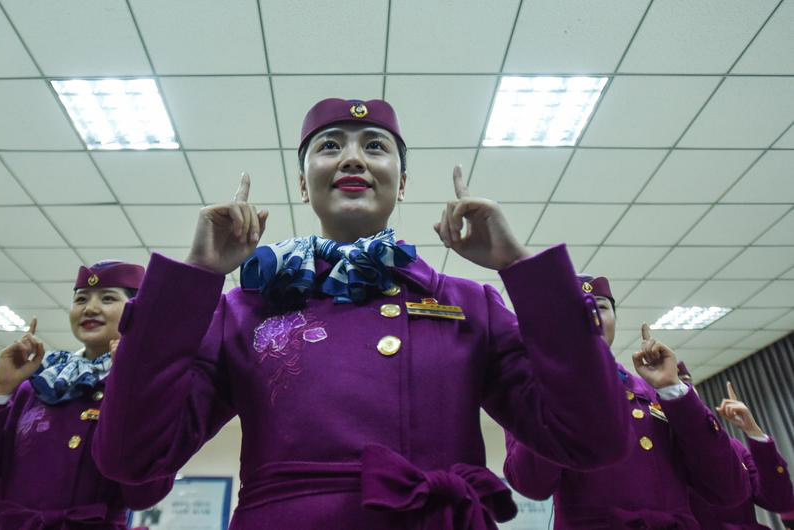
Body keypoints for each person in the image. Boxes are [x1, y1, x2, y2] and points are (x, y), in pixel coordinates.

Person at [93, 98, 630, 529]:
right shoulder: (243, 309)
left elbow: (589, 439)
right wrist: (194, 279)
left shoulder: (468, 303)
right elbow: (134, 458)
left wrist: (521, 267)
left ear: (402, 181)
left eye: (375, 147)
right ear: (303, 184)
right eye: (330, 146)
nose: (353, 158)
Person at [0, 261, 173, 529]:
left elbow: (144, 495)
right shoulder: (37, 385)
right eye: (80, 299)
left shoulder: (145, 390)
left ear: (135, 311)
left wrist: (130, 389)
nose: (90, 308)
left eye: (107, 298)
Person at [502, 275, 749, 529]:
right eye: (574, 308)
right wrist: (561, 388)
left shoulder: (657, 393)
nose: (591, 314)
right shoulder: (535, 392)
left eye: (601, 305)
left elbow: (729, 488)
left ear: (615, 320)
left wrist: (673, 389)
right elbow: (531, 483)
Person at [688, 379, 794, 529]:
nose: (689, 392)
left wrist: (753, 430)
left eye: (689, 385)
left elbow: (780, 501)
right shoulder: (663, 451)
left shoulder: (732, 446)